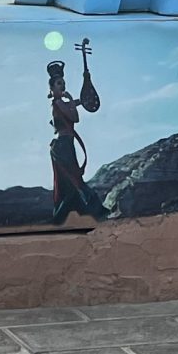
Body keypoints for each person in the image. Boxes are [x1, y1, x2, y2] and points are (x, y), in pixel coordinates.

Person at [45, 41, 105, 225]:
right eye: (59, 84)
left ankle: (64, 217)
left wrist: (83, 98)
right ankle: (95, 210)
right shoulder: (58, 103)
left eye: (63, 83)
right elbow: (75, 117)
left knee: (69, 182)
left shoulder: (63, 103)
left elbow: (78, 105)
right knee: (74, 179)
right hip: (63, 146)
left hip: (65, 145)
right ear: (52, 88)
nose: (62, 86)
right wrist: (72, 101)